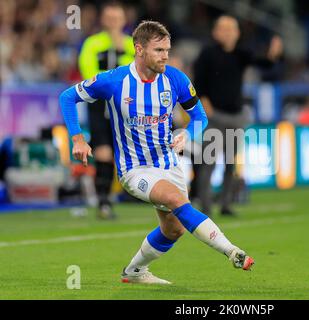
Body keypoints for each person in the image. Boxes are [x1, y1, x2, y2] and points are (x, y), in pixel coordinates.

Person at [59, 20, 254, 284]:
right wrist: (78, 138)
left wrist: (188, 133)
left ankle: (134, 271)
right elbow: (67, 97)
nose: (165, 56)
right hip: (134, 169)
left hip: (168, 164)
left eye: (167, 50)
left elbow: (200, 118)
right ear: (139, 49)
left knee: (173, 229)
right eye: (159, 50)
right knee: (176, 200)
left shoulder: (175, 79)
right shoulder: (114, 81)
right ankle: (231, 251)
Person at [192, 15, 283, 216]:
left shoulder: (241, 54)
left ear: (237, 33)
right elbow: (198, 83)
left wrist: (273, 54)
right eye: (223, 28)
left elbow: (263, 62)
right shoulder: (207, 54)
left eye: (231, 28)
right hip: (214, 117)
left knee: (230, 163)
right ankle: (205, 206)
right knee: (209, 162)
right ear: (215, 32)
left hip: (236, 117)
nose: (227, 32)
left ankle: (225, 204)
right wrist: (205, 105)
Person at [78, 1, 135, 219]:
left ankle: (135, 193)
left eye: (117, 18)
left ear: (123, 20)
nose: (113, 22)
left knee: (123, 152)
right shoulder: (93, 43)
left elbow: (141, 70)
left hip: (127, 106)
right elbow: (88, 71)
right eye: (109, 18)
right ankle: (103, 201)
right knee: (103, 150)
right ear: (103, 20)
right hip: (101, 104)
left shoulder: (132, 44)